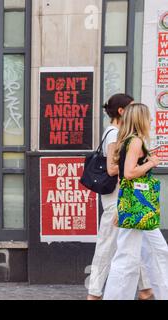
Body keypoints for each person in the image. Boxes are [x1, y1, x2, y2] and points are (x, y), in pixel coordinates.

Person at [87, 95, 153, 300]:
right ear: (122, 112)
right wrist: (138, 164)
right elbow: (113, 167)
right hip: (117, 197)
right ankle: (95, 292)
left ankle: (145, 289)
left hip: (124, 196)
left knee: (134, 243)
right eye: (132, 108)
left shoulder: (118, 133)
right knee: (107, 245)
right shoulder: (115, 133)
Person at [103, 103, 168, 300]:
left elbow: (123, 176)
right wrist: (151, 162)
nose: (151, 120)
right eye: (148, 117)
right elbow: (129, 173)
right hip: (138, 206)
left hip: (137, 206)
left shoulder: (130, 141)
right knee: (127, 257)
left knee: (158, 251)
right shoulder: (135, 142)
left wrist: (120, 208)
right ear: (140, 119)